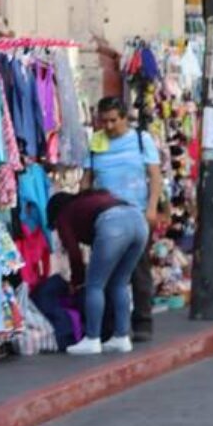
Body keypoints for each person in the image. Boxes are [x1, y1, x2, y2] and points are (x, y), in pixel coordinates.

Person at [81, 96, 163, 342]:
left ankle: (142, 322)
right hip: (104, 217)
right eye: (103, 121)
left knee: (138, 272)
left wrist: (151, 208)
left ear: (125, 118)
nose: (108, 126)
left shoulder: (141, 140)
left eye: (113, 121)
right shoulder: (96, 141)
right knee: (105, 275)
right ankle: (110, 327)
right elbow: (88, 176)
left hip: (135, 214)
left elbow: (155, 176)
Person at [47, 189, 149, 355]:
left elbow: (74, 254)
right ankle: (122, 337)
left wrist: (77, 282)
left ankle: (92, 339)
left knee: (94, 285)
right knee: (120, 283)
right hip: (138, 220)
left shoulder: (64, 215)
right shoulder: (90, 200)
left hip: (113, 225)